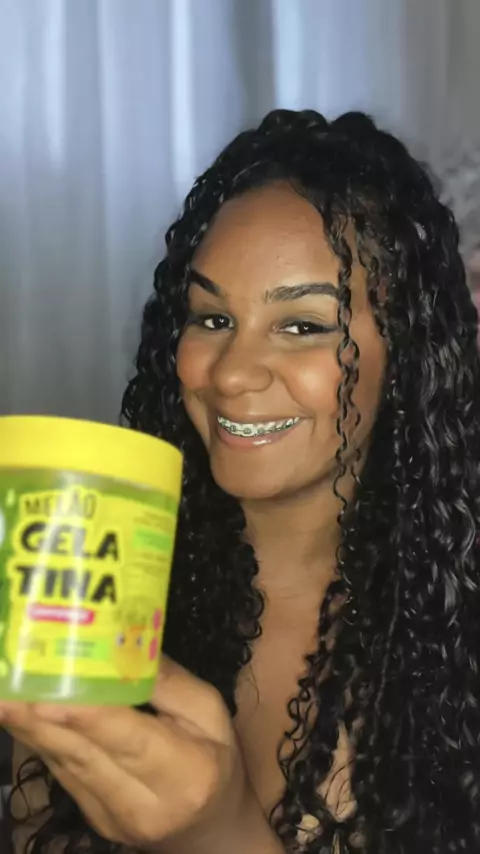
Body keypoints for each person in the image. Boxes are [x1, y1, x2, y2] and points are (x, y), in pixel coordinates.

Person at [4, 108, 480, 854]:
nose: (231, 374)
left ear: (407, 353)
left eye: (303, 326)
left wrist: (215, 832)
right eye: (211, 318)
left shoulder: (454, 631)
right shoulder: (105, 588)